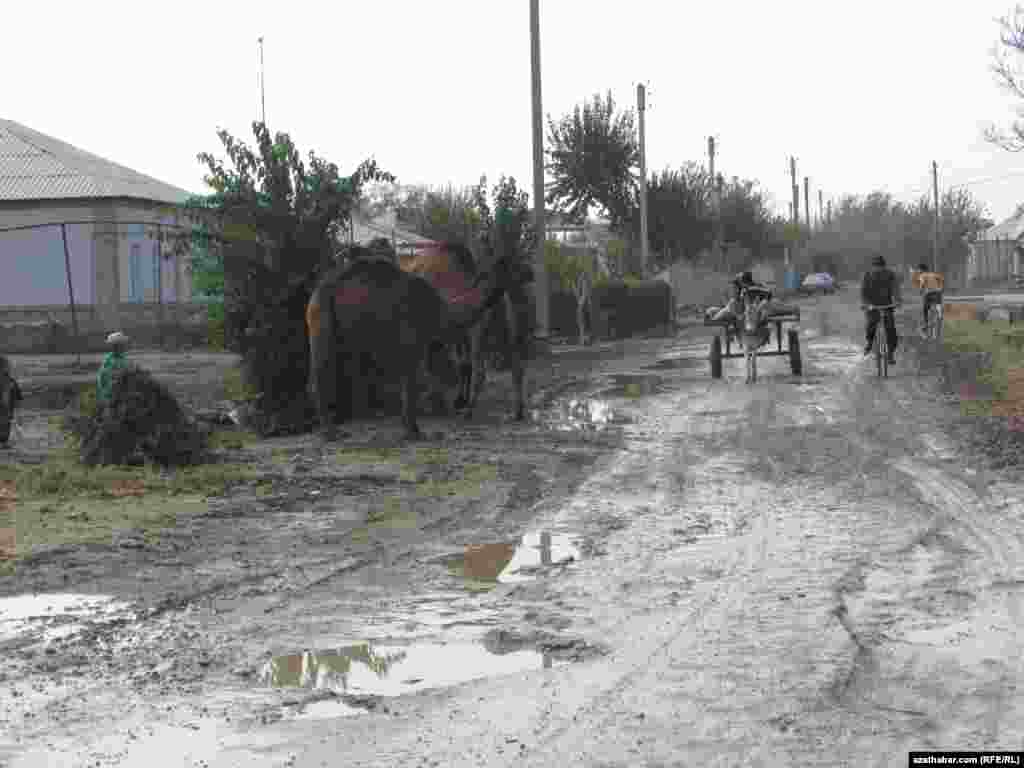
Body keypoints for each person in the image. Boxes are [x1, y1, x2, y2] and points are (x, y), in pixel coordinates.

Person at [861, 254, 902, 363]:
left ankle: (891, 353)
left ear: (884, 266)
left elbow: (895, 288)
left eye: (880, 266)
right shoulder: (867, 275)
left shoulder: (890, 274)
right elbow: (863, 291)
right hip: (872, 306)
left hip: (887, 305)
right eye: (876, 266)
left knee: (891, 329)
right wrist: (865, 304)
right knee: (870, 325)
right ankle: (869, 343)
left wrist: (897, 300)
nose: (878, 269)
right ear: (873, 266)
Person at [96, 331, 132, 408]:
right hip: (113, 394)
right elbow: (104, 378)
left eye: (123, 344)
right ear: (115, 346)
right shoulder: (109, 361)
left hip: (124, 391)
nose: (124, 347)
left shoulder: (123, 358)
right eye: (122, 345)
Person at [914, 262, 945, 332]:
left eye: (918, 269)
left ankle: (926, 323)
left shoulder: (922, 275)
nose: (918, 271)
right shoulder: (933, 274)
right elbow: (942, 279)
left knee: (925, 308)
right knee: (938, 303)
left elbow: (922, 284)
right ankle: (939, 314)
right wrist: (941, 287)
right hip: (937, 292)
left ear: (921, 269)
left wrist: (920, 290)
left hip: (929, 293)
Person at [0, 356, 22, 449]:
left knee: (6, 425)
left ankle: (4, 442)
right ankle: (4, 442)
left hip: (7, 409)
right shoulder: (11, 381)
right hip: (6, 409)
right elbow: (18, 397)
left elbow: (18, 396)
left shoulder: (11, 381)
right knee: (5, 424)